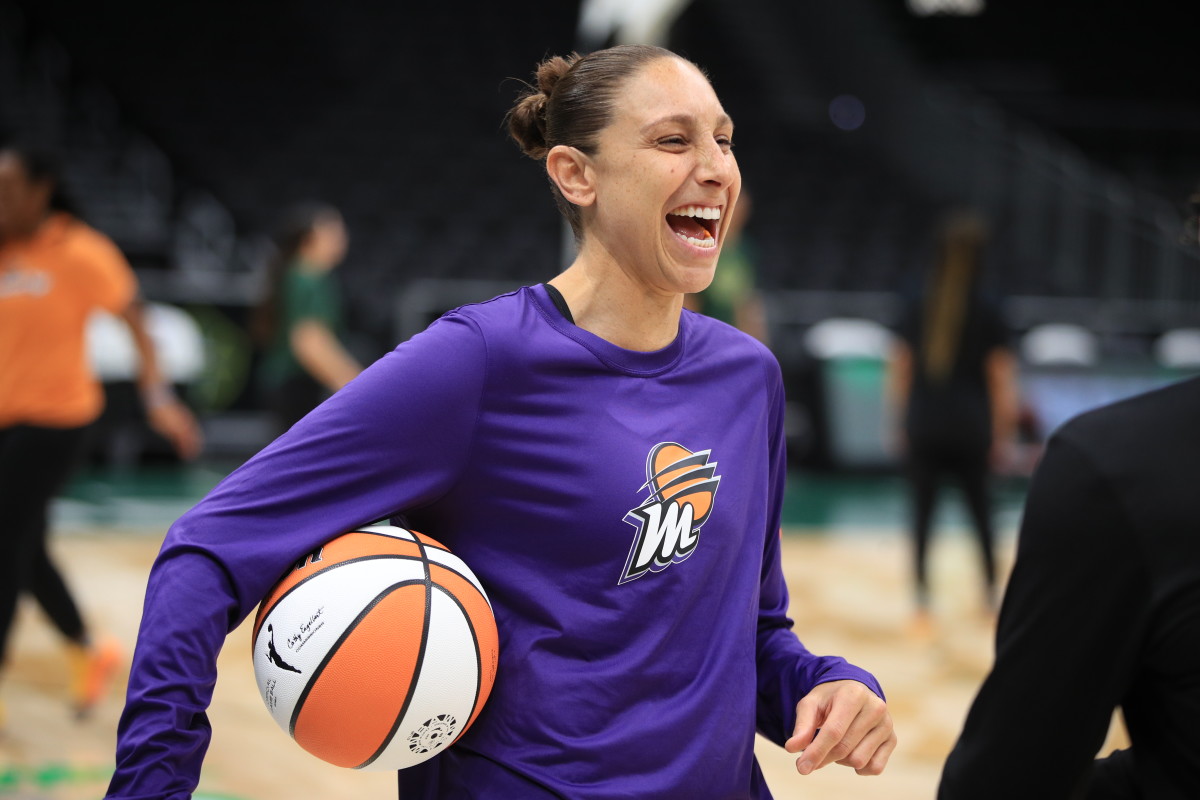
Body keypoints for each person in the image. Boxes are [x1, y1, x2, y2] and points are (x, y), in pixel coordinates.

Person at [107, 44, 895, 799]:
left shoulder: (747, 379)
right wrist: (152, 782)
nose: (716, 168)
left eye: (723, 140)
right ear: (576, 174)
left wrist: (825, 684)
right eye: (673, 140)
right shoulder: (479, 363)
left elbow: (749, 636)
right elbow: (206, 549)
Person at [0, 140, 203, 723]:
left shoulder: (81, 251)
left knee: (4, 542)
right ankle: (89, 651)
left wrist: (158, 397)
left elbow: (137, 321)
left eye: (10, 190)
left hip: (56, 421)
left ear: (41, 190)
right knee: (24, 546)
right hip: (6, 420)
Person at [938, 370, 1200, 798]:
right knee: (975, 518)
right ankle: (978, 593)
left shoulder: (1116, 463)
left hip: (944, 424)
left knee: (941, 518)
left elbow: (1006, 779)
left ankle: (933, 598)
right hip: (968, 425)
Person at [883, 207, 1020, 638]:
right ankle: (991, 597)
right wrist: (1003, 432)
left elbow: (900, 367)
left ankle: (921, 602)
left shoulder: (914, 298)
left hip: (925, 421)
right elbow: (1000, 378)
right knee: (982, 514)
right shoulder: (992, 305)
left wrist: (899, 421)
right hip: (971, 425)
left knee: (922, 515)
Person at [251, 201, 363, 435]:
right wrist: (357, 384)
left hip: (286, 386)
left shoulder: (295, 274)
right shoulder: (308, 278)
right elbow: (309, 342)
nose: (343, 237)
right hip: (296, 387)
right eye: (334, 230)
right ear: (311, 236)